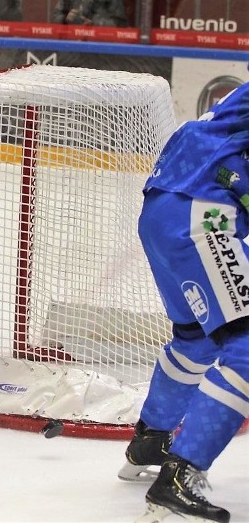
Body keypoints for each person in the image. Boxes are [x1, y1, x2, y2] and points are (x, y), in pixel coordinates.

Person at [117, 82, 249, 522]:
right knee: (247, 346)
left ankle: (151, 440)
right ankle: (180, 475)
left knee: (197, 339)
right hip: (201, 213)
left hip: (165, 209)